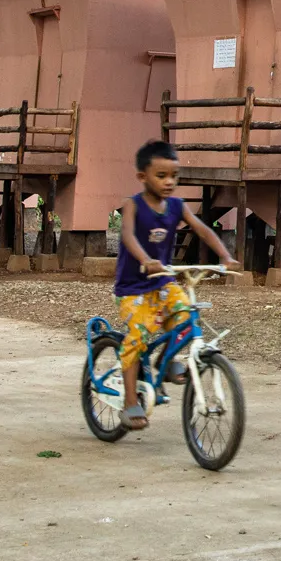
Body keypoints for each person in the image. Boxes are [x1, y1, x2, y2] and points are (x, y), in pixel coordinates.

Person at [114, 139, 237, 429]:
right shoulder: (133, 206)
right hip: (133, 287)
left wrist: (224, 255)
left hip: (164, 282)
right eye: (161, 176)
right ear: (142, 177)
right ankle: (131, 401)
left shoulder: (177, 206)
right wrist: (146, 259)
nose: (169, 182)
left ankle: (165, 363)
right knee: (138, 337)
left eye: (174, 176)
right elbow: (129, 236)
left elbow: (202, 229)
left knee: (184, 316)